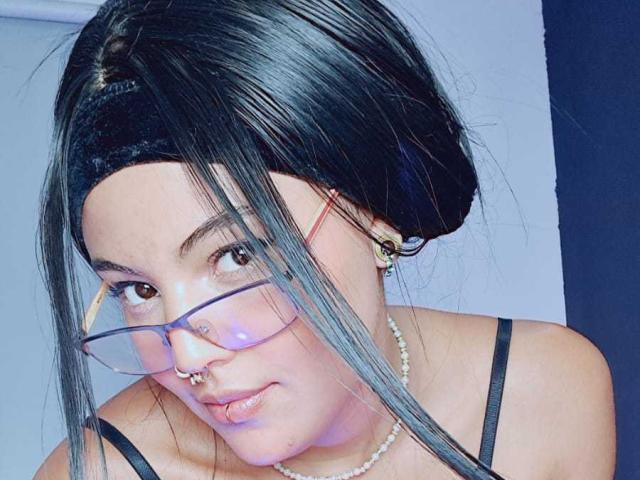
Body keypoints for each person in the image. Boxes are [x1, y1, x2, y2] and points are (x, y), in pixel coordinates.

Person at [33, 1, 616, 479]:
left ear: (376, 213)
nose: (188, 358)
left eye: (238, 254)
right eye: (137, 289)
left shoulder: (544, 395)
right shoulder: (101, 473)